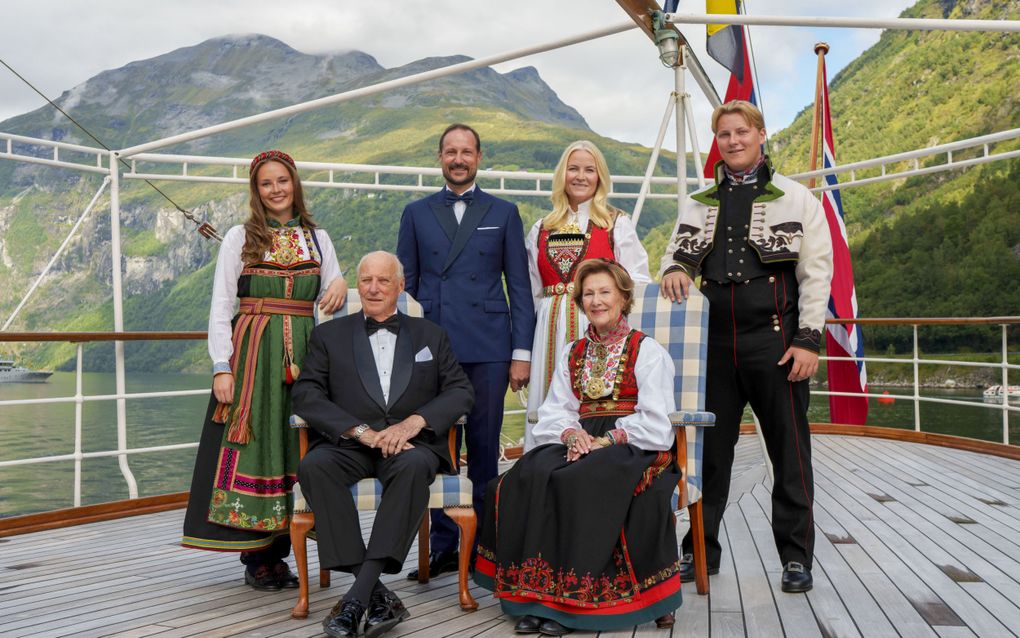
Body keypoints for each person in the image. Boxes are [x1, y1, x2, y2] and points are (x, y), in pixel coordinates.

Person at [659, 100, 833, 593]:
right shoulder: (698, 202)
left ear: (760, 134)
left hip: (776, 342)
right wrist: (675, 268)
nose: (732, 141)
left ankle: (796, 558)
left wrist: (807, 340)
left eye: (741, 132)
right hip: (712, 344)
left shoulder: (798, 199)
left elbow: (816, 275)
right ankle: (699, 552)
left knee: (789, 451)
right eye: (724, 134)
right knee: (710, 454)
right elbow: (675, 256)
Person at [475, 259, 682, 635]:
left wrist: (607, 439)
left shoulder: (647, 351)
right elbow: (557, 408)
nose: (597, 301)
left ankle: (571, 603)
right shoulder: (573, 351)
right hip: (580, 437)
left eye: (605, 292)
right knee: (529, 475)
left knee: (580, 480)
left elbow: (656, 418)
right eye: (589, 294)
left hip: (633, 441)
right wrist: (573, 436)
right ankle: (535, 596)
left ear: (623, 297)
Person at [182, 149, 348, 590]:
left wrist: (341, 281)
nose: (276, 189)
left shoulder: (318, 238)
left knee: (297, 445)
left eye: (282, 181)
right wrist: (222, 366)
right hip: (253, 353)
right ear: (256, 191)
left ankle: (286, 548)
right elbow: (221, 307)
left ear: (295, 184)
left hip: (307, 356)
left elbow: (334, 292)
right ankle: (258, 558)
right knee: (256, 444)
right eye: (266, 183)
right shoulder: (240, 237)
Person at [292, 251, 475, 638]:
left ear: (400, 285)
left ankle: (355, 599)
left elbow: (461, 391)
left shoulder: (431, 335)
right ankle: (374, 594)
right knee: (313, 466)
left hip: (411, 446)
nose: (373, 288)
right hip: (350, 445)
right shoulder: (328, 335)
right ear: (358, 285)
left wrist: (414, 423)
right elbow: (307, 395)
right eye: (366, 280)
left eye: (383, 280)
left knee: (413, 469)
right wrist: (360, 432)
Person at [396, 123, 535, 577]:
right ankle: (441, 544)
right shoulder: (416, 213)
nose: (458, 159)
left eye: (467, 152)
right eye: (450, 152)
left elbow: (519, 288)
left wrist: (522, 352)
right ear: (439, 158)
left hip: (489, 345)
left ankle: (485, 546)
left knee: (483, 443)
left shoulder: (504, 211)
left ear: (479, 157)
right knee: (434, 445)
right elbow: (406, 288)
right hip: (431, 346)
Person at [523, 140, 651, 448]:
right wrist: (526, 351)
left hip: (596, 324)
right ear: (562, 175)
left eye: (589, 170)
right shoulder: (541, 227)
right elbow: (531, 292)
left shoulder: (615, 223)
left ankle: (592, 458)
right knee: (549, 403)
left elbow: (637, 280)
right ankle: (543, 467)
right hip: (549, 329)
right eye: (574, 168)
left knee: (592, 399)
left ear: (600, 177)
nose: (581, 176)